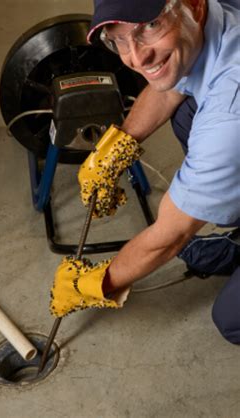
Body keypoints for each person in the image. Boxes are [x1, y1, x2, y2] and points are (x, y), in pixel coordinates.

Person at [49, 0, 240, 344]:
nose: (135, 59)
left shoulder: (231, 114)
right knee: (186, 111)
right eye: (118, 39)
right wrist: (113, 149)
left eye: (149, 27)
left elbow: (169, 238)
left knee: (232, 319)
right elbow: (169, 88)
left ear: (194, 7)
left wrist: (98, 283)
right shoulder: (199, 23)